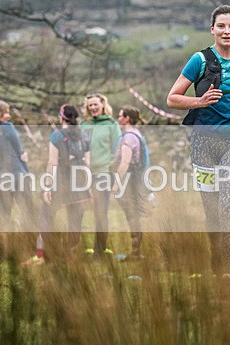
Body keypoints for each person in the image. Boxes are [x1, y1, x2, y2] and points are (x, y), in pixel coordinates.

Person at [166, 4, 230, 277]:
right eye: (221, 26)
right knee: (211, 211)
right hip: (204, 145)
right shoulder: (199, 60)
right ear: (212, 29)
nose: (226, 31)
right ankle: (216, 261)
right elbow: (172, 98)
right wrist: (198, 102)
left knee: (228, 208)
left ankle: (228, 274)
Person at [32, 104, 91, 261]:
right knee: (75, 219)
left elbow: (52, 163)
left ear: (61, 117)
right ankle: (70, 254)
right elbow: (87, 164)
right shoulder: (85, 136)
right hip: (79, 183)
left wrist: (47, 187)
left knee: (46, 216)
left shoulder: (57, 136)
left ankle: (41, 255)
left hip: (60, 182)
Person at [80, 93, 121, 258]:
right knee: (78, 210)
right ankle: (74, 248)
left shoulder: (112, 124)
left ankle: (99, 250)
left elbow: (117, 150)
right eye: (90, 105)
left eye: (95, 104)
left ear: (103, 104)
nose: (93, 107)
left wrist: (110, 167)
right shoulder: (84, 125)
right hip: (83, 175)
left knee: (100, 212)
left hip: (103, 174)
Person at [0, 99, 31, 225]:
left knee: (4, 215)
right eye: (5, 113)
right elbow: (20, 152)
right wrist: (24, 160)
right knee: (28, 213)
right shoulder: (8, 127)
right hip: (17, 174)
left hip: (0, 178)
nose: (8, 116)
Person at [112, 105, 149, 260]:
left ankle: (135, 253)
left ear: (127, 118)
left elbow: (125, 162)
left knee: (132, 216)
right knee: (134, 216)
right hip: (136, 178)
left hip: (130, 179)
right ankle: (136, 252)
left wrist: (116, 184)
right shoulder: (137, 133)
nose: (118, 118)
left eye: (120, 116)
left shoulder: (128, 137)